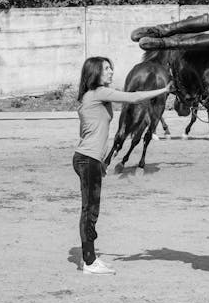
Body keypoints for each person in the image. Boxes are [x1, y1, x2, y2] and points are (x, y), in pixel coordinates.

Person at [73, 56, 171, 275]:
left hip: (88, 159)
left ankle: (88, 256)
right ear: (95, 73)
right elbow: (134, 97)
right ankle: (89, 262)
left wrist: (99, 160)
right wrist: (163, 90)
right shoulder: (99, 93)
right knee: (90, 211)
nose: (111, 72)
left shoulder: (90, 96)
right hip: (88, 160)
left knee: (90, 209)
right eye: (106, 69)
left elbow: (89, 132)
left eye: (111, 68)